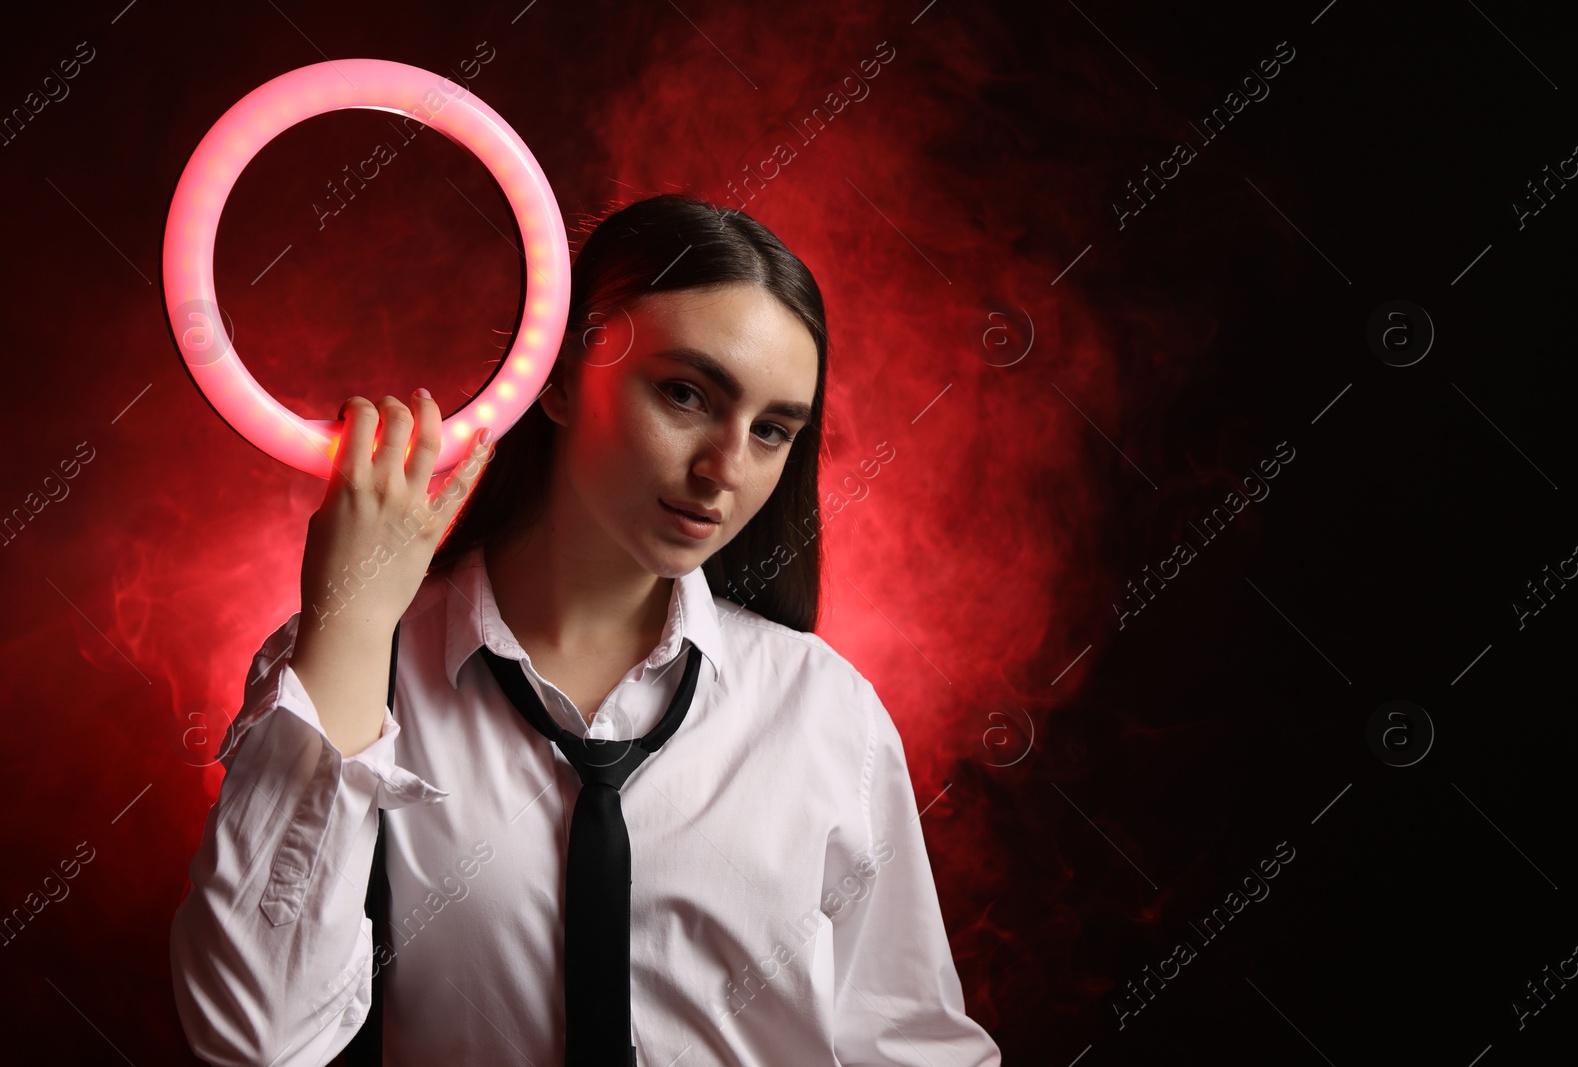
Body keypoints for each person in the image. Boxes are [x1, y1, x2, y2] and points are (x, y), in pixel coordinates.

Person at [169, 193, 1003, 1066]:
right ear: (560, 378)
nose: (725, 469)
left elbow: (912, 1047)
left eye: (771, 430)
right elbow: (255, 1036)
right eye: (685, 393)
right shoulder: (355, 669)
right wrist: (349, 625)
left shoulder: (826, 710)